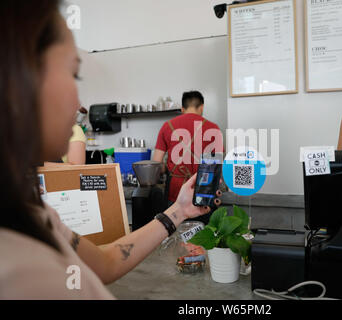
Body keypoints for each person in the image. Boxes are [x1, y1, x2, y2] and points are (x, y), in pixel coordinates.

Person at [0, 0, 221, 299]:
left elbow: (104, 262)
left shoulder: (34, 215)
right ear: (16, 77)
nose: (81, 104)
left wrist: (179, 210)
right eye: (72, 73)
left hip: (178, 195)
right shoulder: (16, 265)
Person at [152, 91, 223, 222]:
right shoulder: (214, 128)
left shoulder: (167, 126)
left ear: (182, 109)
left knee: (174, 236)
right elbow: (218, 167)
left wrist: (167, 167)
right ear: (201, 107)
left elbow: (156, 164)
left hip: (175, 192)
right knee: (204, 234)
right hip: (204, 192)